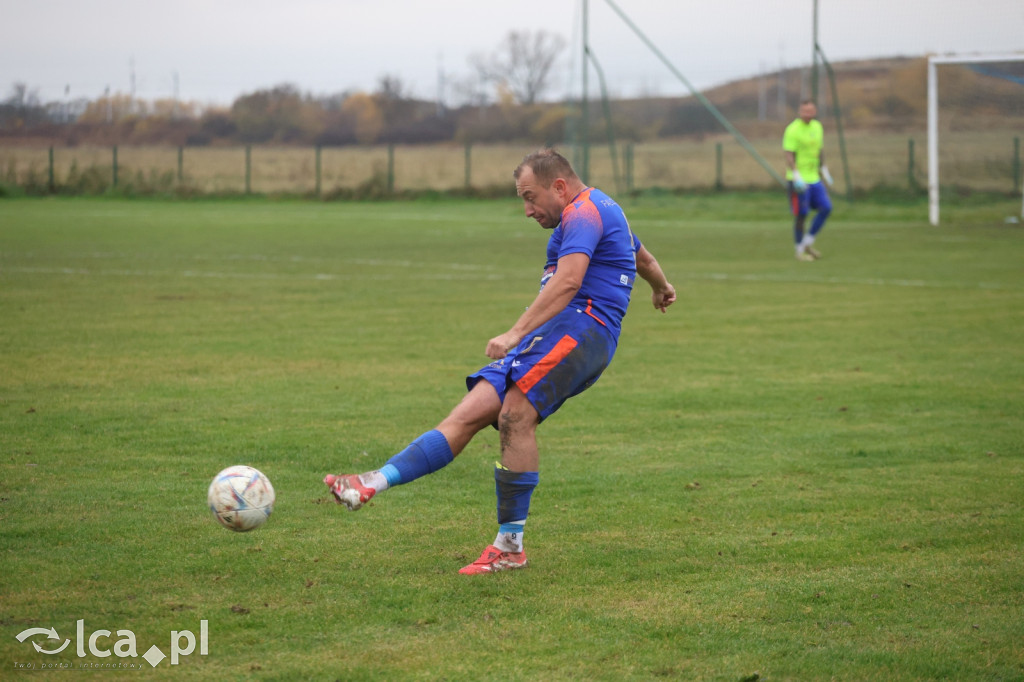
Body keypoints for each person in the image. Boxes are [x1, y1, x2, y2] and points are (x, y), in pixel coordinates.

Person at [324, 148, 677, 575]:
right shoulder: (601, 210)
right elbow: (643, 259)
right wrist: (660, 286)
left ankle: (510, 547)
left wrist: (514, 333)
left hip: (584, 329)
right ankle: (371, 482)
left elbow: (569, 281)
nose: (527, 210)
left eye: (530, 197)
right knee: (469, 412)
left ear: (559, 187)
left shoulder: (584, 212)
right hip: (554, 332)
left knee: (515, 415)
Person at [783, 100, 834, 261]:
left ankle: (807, 242)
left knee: (826, 208)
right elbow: (789, 154)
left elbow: (819, 149)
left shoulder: (817, 127)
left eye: (810, 111)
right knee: (802, 214)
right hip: (798, 180)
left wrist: (824, 169)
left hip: (814, 178)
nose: (808, 114)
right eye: (805, 111)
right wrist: (796, 175)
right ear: (800, 111)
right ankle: (799, 252)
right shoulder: (792, 129)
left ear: (815, 111)